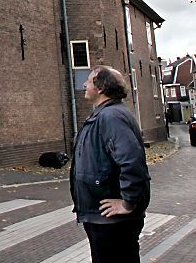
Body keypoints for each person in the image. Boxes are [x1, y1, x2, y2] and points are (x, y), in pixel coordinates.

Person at [70, 66, 151, 263]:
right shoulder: (106, 115)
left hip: (111, 221)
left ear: (100, 87)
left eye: (89, 81)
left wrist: (127, 203)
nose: (84, 84)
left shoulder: (111, 117)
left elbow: (131, 161)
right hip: (103, 217)